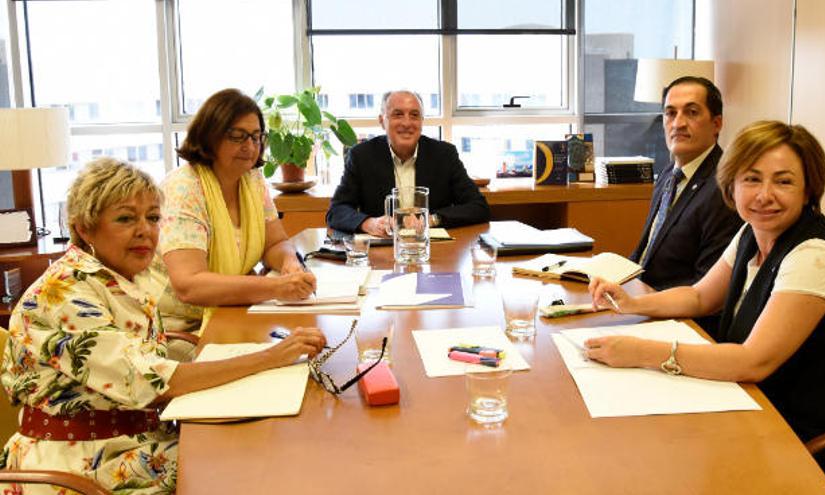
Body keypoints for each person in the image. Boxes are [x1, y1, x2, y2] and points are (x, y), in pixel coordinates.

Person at [0, 158, 326, 494]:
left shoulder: (119, 278)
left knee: (265, 448)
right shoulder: (63, 293)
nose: (145, 230)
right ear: (85, 227)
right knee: (251, 469)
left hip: (133, 439)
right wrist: (271, 356)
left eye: (153, 218)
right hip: (84, 462)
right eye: (126, 218)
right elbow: (153, 382)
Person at [588, 121, 825, 494]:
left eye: (784, 181)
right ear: (731, 185)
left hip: (810, 443)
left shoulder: (815, 255)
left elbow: (753, 361)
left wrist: (641, 352)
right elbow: (699, 297)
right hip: (756, 411)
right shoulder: (751, 232)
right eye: (752, 179)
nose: (764, 195)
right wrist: (631, 302)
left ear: (809, 189)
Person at [158, 88, 316, 334]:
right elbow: (188, 285)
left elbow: (275, 243)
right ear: (210, 136)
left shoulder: (251, 180)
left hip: (236, 310)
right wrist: (275, 288)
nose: (250, 146)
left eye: (255, 136)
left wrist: (289, 263)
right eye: (237, 136)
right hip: (184, 329)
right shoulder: (184, 188)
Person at [631, 76, 742, 292]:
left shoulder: (725, 187)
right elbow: (646, 254)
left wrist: (642, 302)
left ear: (716, 123)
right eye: (670, 113)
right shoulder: (668, 174)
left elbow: (705, 286)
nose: (678, 123)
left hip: (680, 316)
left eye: (692, 112)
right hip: (640, 298)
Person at [325, 90, 490, 235]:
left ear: (422, 122)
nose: (407, 123)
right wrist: (370, 223)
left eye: (414, 115)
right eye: (398, 114)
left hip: (433, 250)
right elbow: (337, 211)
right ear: (382, 121)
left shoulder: (444, 154)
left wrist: (432, 220)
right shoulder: (361, 156)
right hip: (382, 251)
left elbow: (478, 207)